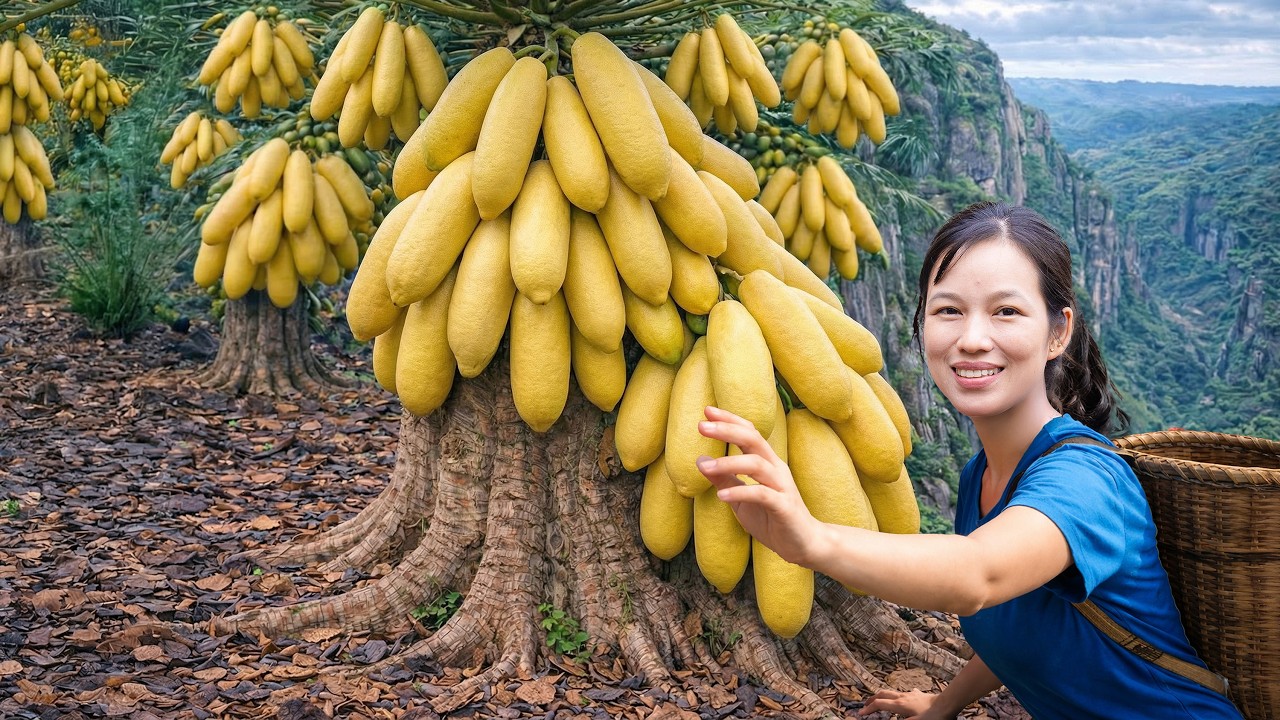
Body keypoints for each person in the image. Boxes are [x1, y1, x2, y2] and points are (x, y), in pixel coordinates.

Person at [694, 202, 1241, 720]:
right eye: (949, 311)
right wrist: (942, 705)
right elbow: (1017, 622)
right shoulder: (980, 476)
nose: (972, 338)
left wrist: (812, 541)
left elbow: (977, 575)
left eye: (1006, 311)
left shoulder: (1086, 481)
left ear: (1058, 332)